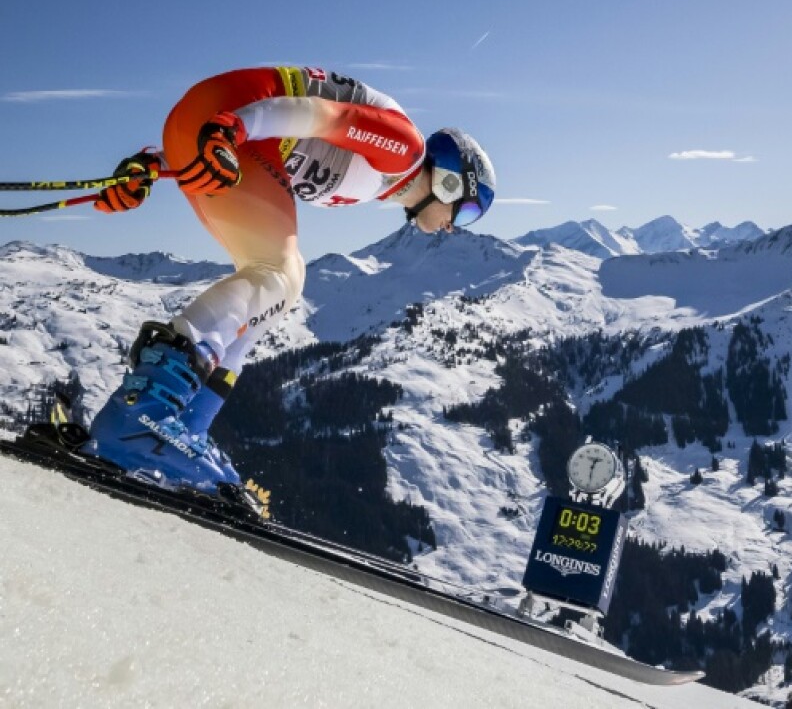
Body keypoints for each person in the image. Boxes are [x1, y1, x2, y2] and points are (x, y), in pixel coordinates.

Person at [82, 66, 496, 498]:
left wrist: (154, 165)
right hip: (229, 118)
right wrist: (233, 127)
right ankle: (141, 419)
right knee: (278, 273)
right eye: (466, 213)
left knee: (276, 290)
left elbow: (267, 140)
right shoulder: (405, 151)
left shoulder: (378, 181)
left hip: (220, 125)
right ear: (450, 181)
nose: (456, 228)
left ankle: (184, 426)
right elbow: (324, 116)